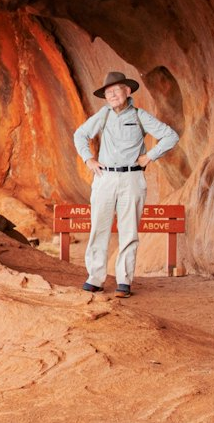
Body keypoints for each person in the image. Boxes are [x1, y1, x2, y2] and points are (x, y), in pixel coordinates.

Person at [72, 70, 179, 297]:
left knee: (129, 231)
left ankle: (124, 281)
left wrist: (150, 156)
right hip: (105, 178)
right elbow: (80, 135)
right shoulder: (104, 115)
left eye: (116, 90)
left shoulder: (140, 116)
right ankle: (95, 278)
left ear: (127, 91)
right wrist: (88, 159)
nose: (112, 96)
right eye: (108, 92)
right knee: (99, 228)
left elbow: (170, 135)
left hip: (132, 178)